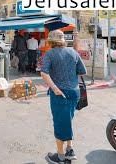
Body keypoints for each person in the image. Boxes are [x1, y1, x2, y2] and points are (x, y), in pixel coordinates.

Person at [40, 30, 87, 164]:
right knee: (68, 121)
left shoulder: (49, 54)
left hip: (60, 94)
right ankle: (70, 150)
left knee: (60, 124)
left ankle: (60, 157)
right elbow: (83, 71)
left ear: (51, 41)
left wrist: (55, 88)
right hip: (75, 93)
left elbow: (44, 73)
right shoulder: (73, 52)